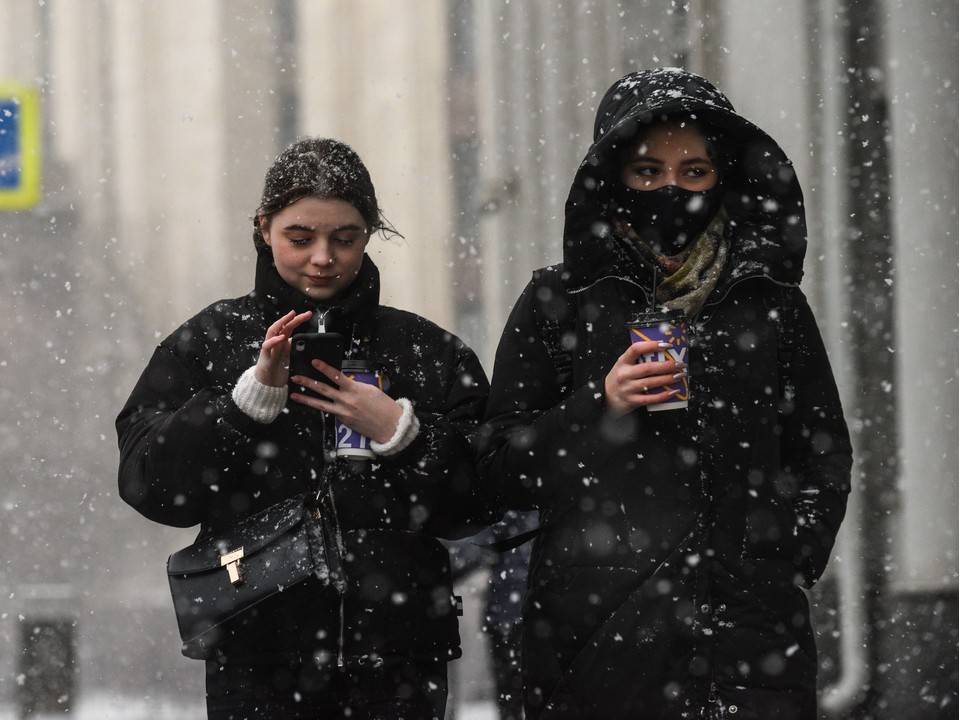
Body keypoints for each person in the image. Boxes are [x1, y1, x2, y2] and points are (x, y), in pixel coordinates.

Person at [477, 67, 853, 720]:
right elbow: (494, 473)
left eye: (694, 171)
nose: (671, 189)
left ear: (723, 177)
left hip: (750, 646)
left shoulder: (768, 304)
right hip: (598, 646)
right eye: (648, 172)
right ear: (612, 178)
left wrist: (783, 561)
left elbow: (821, 457)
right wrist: (602, 407)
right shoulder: (557, 305)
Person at [116, 137, 490, 720]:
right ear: (264, 228)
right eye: (300, 238)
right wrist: (241, 408)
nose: (323, 258)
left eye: (345, 238)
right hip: (255, 656)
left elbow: (481, 500)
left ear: (369, 235)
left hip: (398, 660)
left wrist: (401, 433)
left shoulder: (424, 350)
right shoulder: (211, 340)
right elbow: (151, 486)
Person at [448, 509, 538, 720]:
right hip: (536, 614)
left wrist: (436, 569)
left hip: (507, 614)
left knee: (510, 695)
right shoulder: (545, 511)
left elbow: (474, 550)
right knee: (540, 693)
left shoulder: (513, 512)